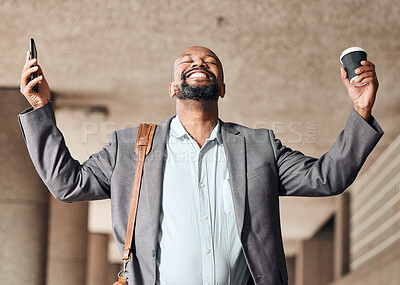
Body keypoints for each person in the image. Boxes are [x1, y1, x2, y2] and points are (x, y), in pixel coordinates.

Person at [19, 46, 383, 285]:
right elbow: (66, 183)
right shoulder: (130, 147)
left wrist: (361, 111)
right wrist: (40, 110)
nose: (198, 64)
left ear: (222, 87)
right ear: (173, 87)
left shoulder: (259, 147)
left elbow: (326, 178)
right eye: (187, 63)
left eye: (209, 62)